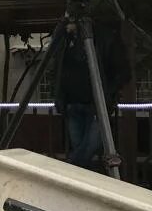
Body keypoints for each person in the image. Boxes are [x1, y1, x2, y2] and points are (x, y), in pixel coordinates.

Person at [54, 19, 130, 169]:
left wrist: (107, 92)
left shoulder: (103, 37)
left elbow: (123, 72)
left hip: (96, 104)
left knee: (90, 146)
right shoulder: (65, 38)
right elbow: (56, 66)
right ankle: (75, 171)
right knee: (82, 150)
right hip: (72, 103)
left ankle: (69, 168)